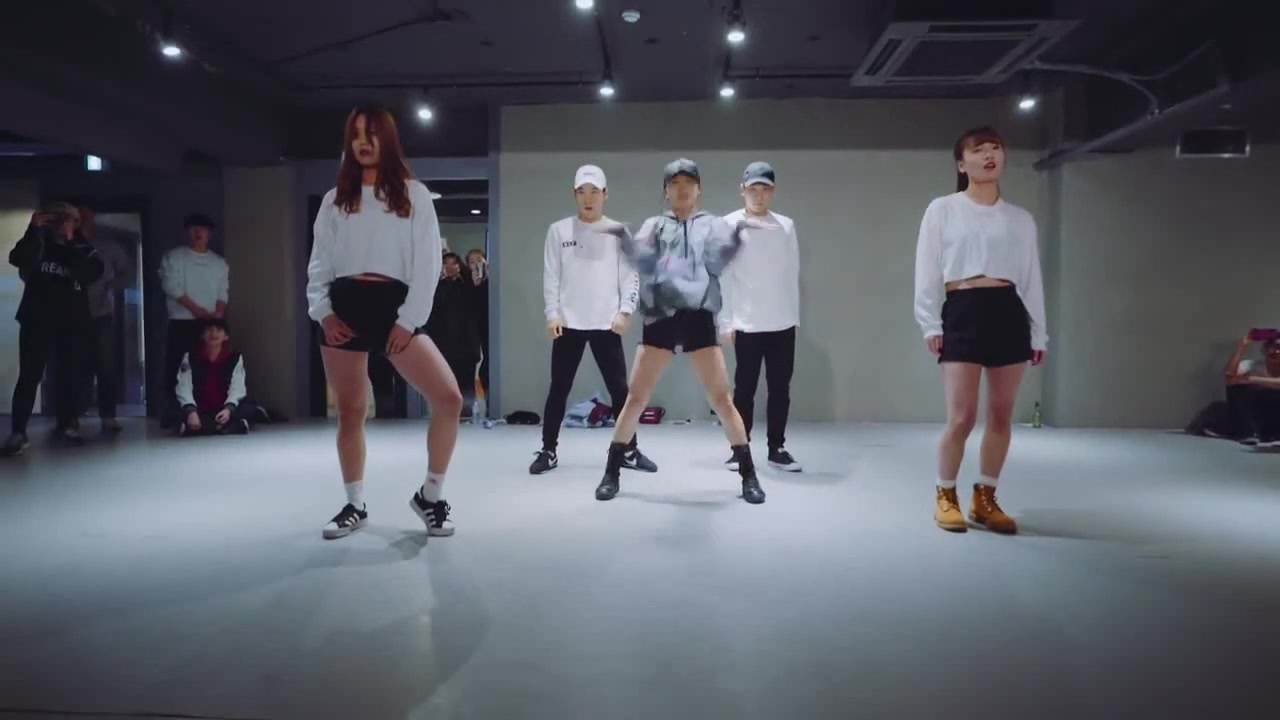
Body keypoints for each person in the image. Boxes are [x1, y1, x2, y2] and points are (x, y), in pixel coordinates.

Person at [307, 104, 461, 540]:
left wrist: (409, 320)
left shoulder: (414, 194)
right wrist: (323, 312)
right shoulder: (334, 200)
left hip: (395, 306)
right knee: (351, 411)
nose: (363, 141)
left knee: (449, 399)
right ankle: (354, 505)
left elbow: (429, 263)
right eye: (356, 133)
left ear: (387, 140)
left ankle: (430, 496)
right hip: (343, 305)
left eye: (372, 133)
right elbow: (319, 264)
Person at [594, 158, 765, 504]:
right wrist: (624, 240)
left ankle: (749, 475)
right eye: (675, 183)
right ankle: (611, 472)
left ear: (698, 189)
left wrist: (736, 240)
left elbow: (716, 263)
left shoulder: (712, 225)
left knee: (722, 399)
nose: (682, 189)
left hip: (698, 316)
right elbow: (643, 263)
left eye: (688, 182)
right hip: (661, 316)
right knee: (635, 398)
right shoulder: (654, 225)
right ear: (666, 191)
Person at [914, 126, 1047, 535]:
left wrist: (1039, 332)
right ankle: (945, 495)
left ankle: (985, 498)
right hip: (963, 309)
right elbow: (927, 269)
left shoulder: (1020, 219)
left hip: (1009, 311)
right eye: (979, 150)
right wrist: (929, 321)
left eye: (996, 148)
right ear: (961, 164)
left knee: (1001, 414)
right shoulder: (943, 209)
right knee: (961, 417)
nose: (989, 155)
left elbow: (1031, 279)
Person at [532, 164, 658, 475]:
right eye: (581, 192)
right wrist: (552, 313)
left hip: (606, 323)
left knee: (620, 391)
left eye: (594, 192)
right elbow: (551, 275)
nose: (588, 199)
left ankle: (629, 450)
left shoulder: (618, 231)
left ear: (605, 194)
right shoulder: (558, 231)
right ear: (574, 194)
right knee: (559, 388)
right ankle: (548, 450)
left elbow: (630, 276)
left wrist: (624, 311)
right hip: (568, 323)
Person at [720, 161, 803, 472]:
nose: (758, 195)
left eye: (764, 189)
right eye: (753, 189)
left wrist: (794, 316)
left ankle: (776, 448)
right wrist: (726, 321)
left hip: (782, 320)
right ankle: (740, 448)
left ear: (773, 191)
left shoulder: (786, 226)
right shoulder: (728, 224)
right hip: (746, 321)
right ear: (742, 190)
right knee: (744, 388)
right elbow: (724, 275)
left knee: (780, 388)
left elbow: (792, 272)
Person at [2, 202, 103, 456]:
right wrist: (32, 230)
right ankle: (18, 432)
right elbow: (17, 258)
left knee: (69, 376)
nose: (60, 223)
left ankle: (67, 425)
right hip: (36, 320)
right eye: (56, 218)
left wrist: (69, 242)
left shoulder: (84, 249)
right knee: (29, 376)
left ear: (75, 223)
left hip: (71, 322)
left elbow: (88, 273)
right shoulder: (39, 243)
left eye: (65, 219)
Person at [160, 213, 229, 418]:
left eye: (203, 229)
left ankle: (206, 412)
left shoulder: (218, 263)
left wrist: (218, 315)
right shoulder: (174, 257)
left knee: (207, 368)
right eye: (193, 228)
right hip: (182, 321)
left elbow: (223, 292)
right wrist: (197, 310)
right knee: (177, 368)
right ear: (187, 231)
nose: (198, 232)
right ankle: (176, 414)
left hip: (210, 324)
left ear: (210, 234)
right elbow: (171, 286)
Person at [78, 205, 132, 433]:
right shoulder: (63, 247)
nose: (82, 221)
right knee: (73, 368)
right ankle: (70, 418)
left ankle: (108, 415)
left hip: (101, 314)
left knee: (106, 366)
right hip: (70, 316)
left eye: (86, 217)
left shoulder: (107, 247)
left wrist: (110, 286)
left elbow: (126, 274)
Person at [425, 252, 482, 417]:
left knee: (466, 381)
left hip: (466, 343)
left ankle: (466, 411)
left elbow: (476, 302)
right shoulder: (436, 286)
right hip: (443, 342)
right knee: (443, 380)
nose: (450, 267)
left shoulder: (467, 285)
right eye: (446, 263)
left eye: (454, 263)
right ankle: (443, 412)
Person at [173, 318, 251, 436]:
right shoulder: (190, 357)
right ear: (202, 335)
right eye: (209, 330)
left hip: (223, 405)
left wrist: (228, 409)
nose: (213, 333)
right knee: (171, 411)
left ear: (226, 336)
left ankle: (202, 428)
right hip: (199, 406)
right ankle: (221, 427)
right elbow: (184, 386)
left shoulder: (234, 358)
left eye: (218, 330)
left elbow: (237, 387)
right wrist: (191, 411)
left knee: (247, 409)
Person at [1223, 332, 1280, 447]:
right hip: (1260, 414)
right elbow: (1229, 376)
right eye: (1273, 347)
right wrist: (1241, 347)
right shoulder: (1252, 365)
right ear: (1266, 349)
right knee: (1235, 388)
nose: (1276, 351)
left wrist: (1251, 379)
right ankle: (1249, 433)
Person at [465, 248, 491, 401]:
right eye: (472, 262)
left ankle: (489, 401)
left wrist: (482, 282)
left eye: (479, 261)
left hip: (488, 328)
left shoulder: (492, 283)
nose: (475, 265)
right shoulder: (464, 283)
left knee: (488, 365)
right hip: (470, 331)